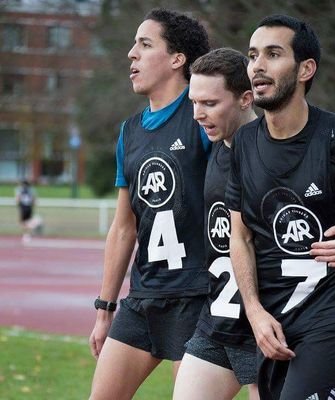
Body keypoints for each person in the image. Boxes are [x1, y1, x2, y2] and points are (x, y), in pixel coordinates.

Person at [173, 49, 335, 400]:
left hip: (275, 323)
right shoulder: (213, 148)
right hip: (219, 320)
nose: (197, 114)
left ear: (246, 99)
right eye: (193, 102)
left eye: (209, 102)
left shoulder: (285, 150)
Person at [226, 14, 335, 400]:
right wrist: (254, 311)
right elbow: (240, 236)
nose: (257, 65)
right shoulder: (243, 143)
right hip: (274, 316)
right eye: (253, 55)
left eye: (273, 54)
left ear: (306, 69)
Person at [88, 8, 211, 400]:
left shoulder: (205, 117)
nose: (131, 54)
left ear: (177, 60)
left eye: (144, 44)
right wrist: (105, 308)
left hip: (200, 296)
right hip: (143, 298)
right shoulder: (130, 131)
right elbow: (124, 227)